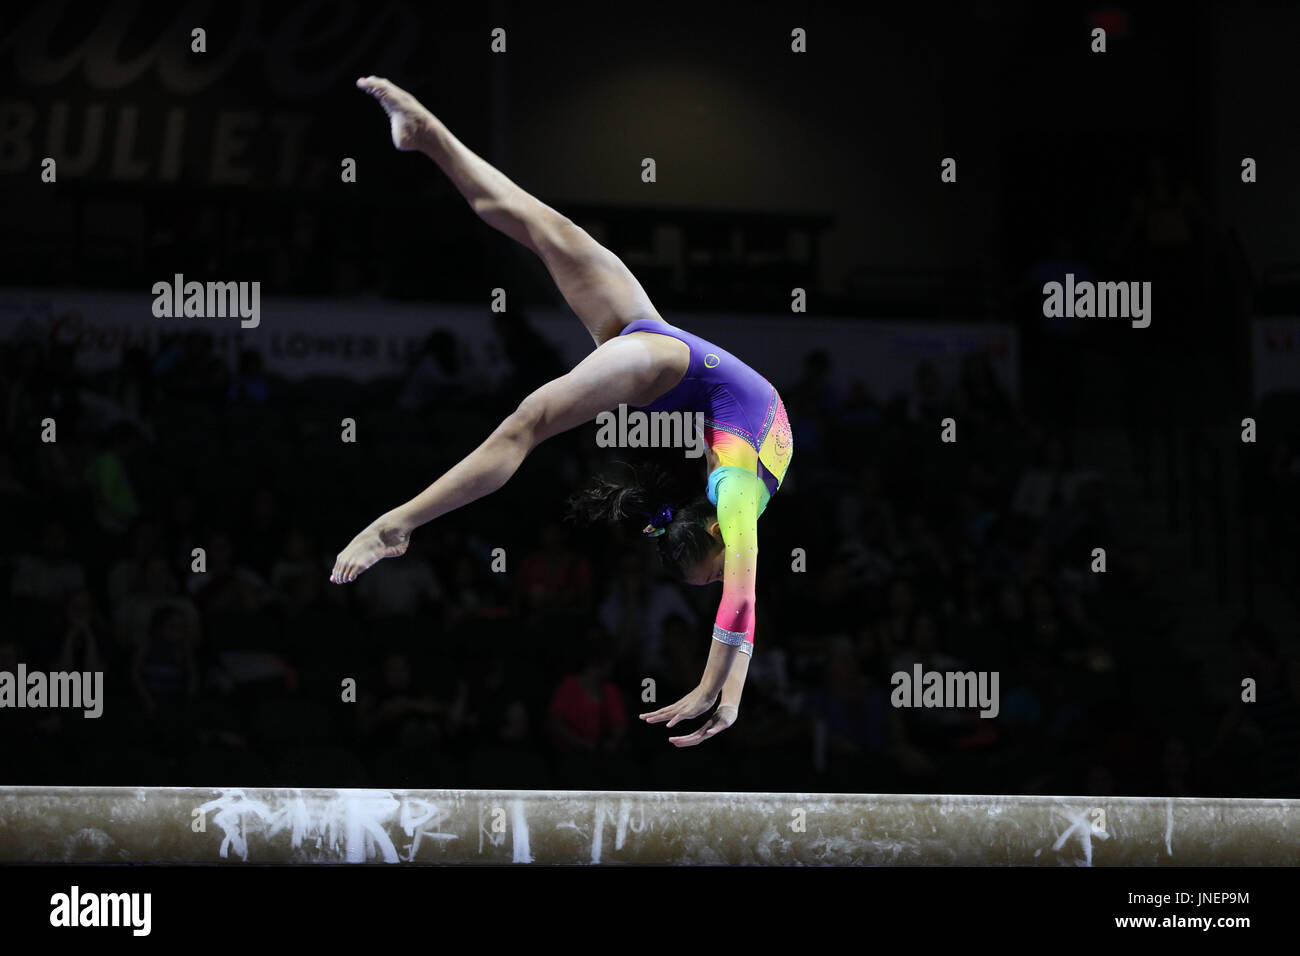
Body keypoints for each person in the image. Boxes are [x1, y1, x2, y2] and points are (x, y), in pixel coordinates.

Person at [330, 78, 794, 747]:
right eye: (711, 575)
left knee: (538, 224)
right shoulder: (737, 494)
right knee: (527, 424)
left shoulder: (737, 489)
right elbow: (742, 602)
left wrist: (715, 680)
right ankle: (396, 527)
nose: (721, 576)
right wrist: (718, 693)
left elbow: (739, 594)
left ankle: (427, 135)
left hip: (657, 343)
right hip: (657, 360)